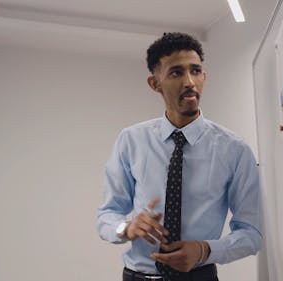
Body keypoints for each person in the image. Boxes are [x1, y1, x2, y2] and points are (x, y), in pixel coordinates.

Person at [97, 32, 263, 281]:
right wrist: (126, 228)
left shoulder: (235, 150)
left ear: (204, 77)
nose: (189, 82)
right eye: (176, 73)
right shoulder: (131, 140)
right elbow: (108, 214)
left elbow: (252, 234)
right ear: (155, 84)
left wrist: (205, 250)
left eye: (196, 71)